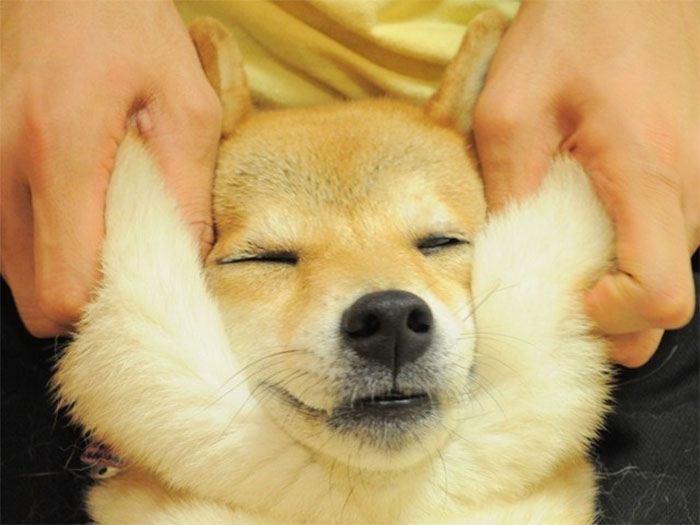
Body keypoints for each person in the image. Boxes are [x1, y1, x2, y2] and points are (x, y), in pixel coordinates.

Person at [1, 1, 698, 522]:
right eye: (270, 256)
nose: (386, 304)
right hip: (104, 104)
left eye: (437, 243)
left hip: (579, 117)